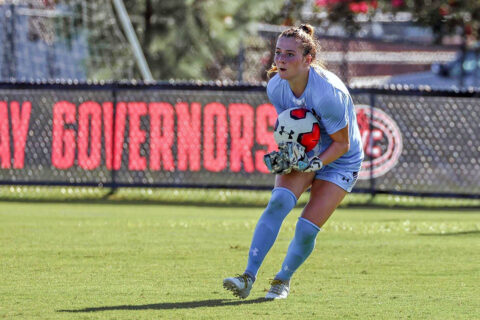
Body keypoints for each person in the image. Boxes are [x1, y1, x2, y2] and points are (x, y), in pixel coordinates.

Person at [223, 24, 364, 300]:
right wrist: (289, 154)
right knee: (278, 202)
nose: (281, 60)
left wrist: (313, 166)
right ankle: (246, 277)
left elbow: (342, 143)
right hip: (309, 151)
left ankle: (281, 280)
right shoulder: (276, 86)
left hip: (341, 159)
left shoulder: (328, 93)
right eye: (278, 53)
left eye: (289, 55)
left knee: (306, 228)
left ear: (307, 59)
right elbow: (293, 130)